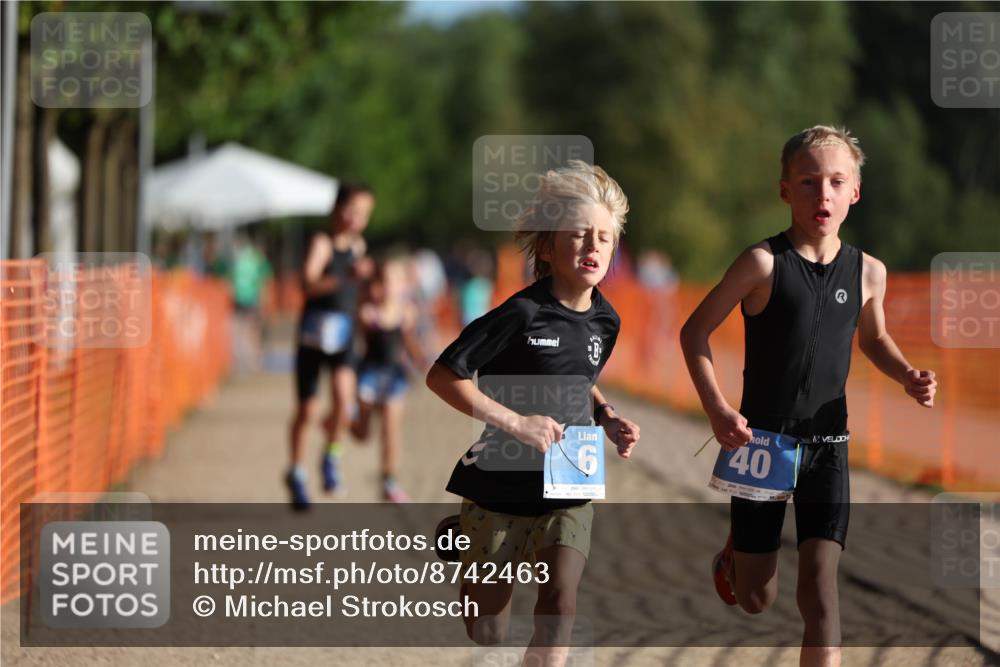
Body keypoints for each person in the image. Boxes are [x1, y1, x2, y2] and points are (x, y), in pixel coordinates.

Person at [679, 126, 937, 667]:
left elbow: (874, 339)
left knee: (821, 591)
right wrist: (718, 409)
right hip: (761, 444)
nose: (823, 193)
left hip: (828, 445)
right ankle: (735, 556)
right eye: (808, 181)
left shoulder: (869, 271)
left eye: (836, 182)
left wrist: (907, 374)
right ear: (785, 190)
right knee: (756, 597)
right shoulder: (762, 263)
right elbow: (694, 331)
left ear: (854, 192)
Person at [426, 161, 641, 666]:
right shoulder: (519, 314)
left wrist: (607, 416)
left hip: (569, 483)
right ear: (546, 247)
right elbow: (443, 376)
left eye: (604, 238)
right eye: (579, 234)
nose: (592, 247)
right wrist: (517, 423)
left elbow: (578, 381)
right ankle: (466, 532)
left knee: (560, 602)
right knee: (487, 630)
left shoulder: (607, 321)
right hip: (500, 483)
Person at [287, 183, 375, 510]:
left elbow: (357, 292)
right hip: (313, 335)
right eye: (351, 210)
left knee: (343, 400)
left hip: (344, 336)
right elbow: (307, 284)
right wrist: (343, 275)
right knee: (308, 410)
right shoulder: (322, 243)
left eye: (364, 214)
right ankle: (297, 473)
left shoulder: (359, 246)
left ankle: (330, 459)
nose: (356, 218)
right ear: (336, 209)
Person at [349, 251, 427, 503]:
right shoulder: (367, 313)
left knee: (391, 432)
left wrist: (421, 360)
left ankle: (389, 482)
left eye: (394, 281)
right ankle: (346, 418)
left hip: (395, 377)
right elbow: (354, 343)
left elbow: (409, 342)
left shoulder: (407, 312)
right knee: (363, 434)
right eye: (383, 281)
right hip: (369, 375)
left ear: (403, 285)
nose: (388, 287)